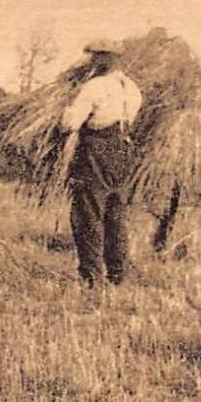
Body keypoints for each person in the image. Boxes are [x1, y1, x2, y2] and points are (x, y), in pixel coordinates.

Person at [57, 40, 142, 287]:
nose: (91, 62)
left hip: (97, 151)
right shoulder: (133, 88)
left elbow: (70, 123)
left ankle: (92, 278)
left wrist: (64, 111)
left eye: (95, 57)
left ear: (105, 59)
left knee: (88, 214)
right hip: (123, 151)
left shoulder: (94, 87)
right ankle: (118, 275)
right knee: (116, 215)